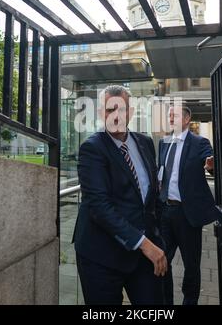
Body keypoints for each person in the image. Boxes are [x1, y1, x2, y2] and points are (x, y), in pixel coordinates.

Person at [72, 85, 167, 305]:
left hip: (143, 256)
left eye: (121, 110)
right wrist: (145, 243)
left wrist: (158, 237)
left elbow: (151, 197)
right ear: (100, 114)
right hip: (101, 255)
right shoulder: (92, 148)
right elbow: (99, 206)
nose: (116, 115)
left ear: (131, 112)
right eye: (109, 110)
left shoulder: (145, 143)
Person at [158, 105, 218, 305]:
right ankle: (166, 302)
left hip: (187, 214)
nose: (170, 119)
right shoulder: (164, 143)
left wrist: (210, 165)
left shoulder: (200, 142)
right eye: (169, 116)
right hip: (166, 211)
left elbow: (210, 164)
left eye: (174, 115)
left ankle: (189, 301)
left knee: (191, 265)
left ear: (186, 119)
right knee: (162, 259)